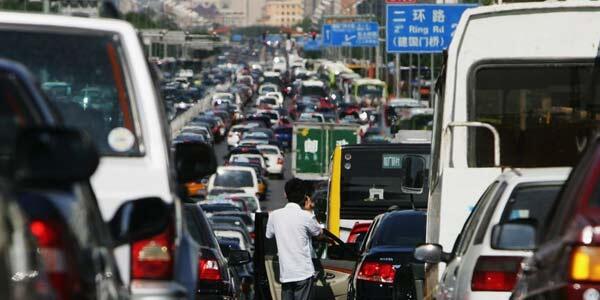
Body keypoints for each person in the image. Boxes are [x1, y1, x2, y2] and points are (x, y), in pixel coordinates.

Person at [265, 178, 322, 300]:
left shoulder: (275, 216)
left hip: (286, 275)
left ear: (285, 194)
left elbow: (268, 235)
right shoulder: (306, 216)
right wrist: (310, 211)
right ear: (304, 197)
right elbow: (318, 232)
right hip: (303, 273)